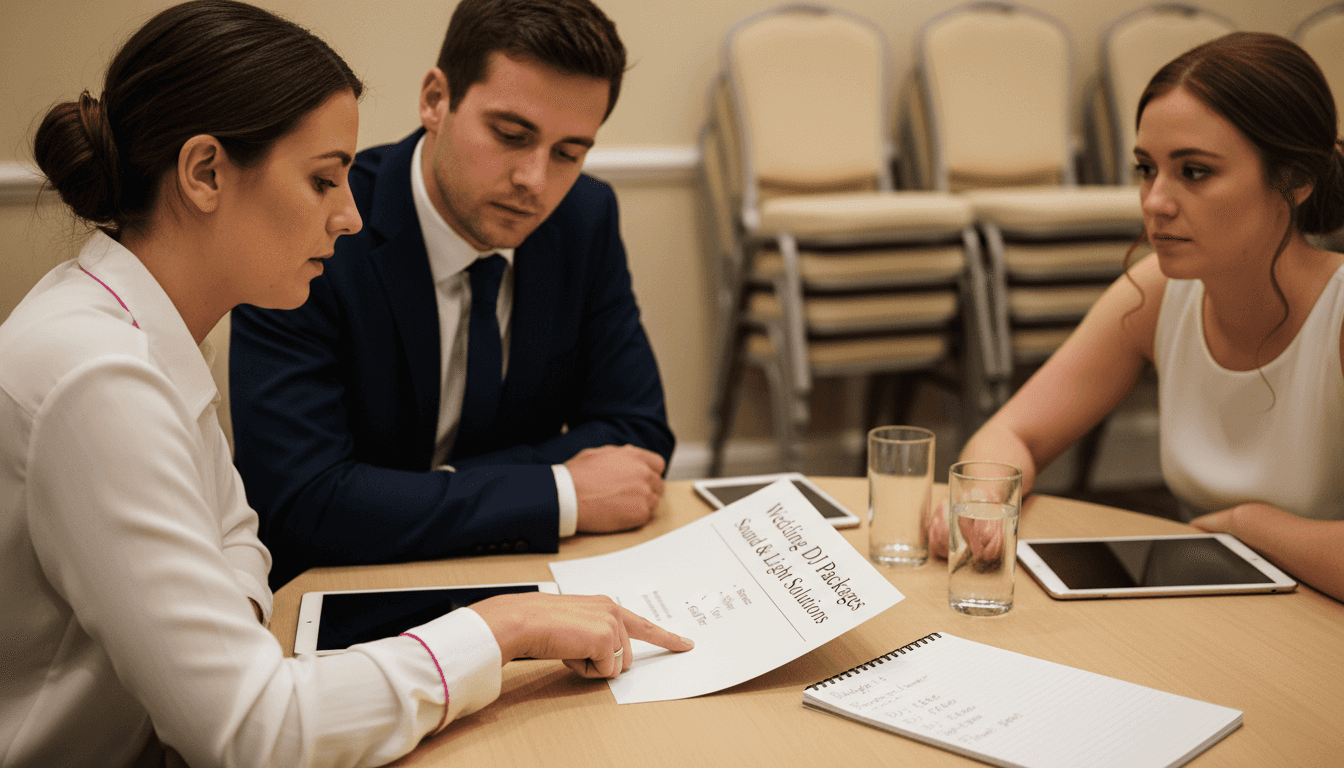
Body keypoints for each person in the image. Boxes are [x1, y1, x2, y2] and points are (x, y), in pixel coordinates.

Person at [0, 3, 691, 765]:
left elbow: (241, 548)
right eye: (325, 180)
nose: (351, 216)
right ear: (204, 174)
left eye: (568, 151)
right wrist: (508, 624)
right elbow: (258, 726)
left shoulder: (140, 332)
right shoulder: (100, 377)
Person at [228, 0, 674, 589]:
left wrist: (410, 492)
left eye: (569, 153)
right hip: (348, 595)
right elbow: (301, 504)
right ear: (436, 99)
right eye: (511, 135)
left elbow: (637, 433)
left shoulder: (583, 218)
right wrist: (558, 489)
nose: (535, 182)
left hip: (529, 574)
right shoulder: (320, 231)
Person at [933, 32, 1344, 602]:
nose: (1155, 201)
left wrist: (1245, 526)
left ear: (1295, 180)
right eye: (1147, 168)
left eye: (1194, 171)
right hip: (1217, 609)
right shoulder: (1157, 291)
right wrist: (981, 499)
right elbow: (1011, 432)